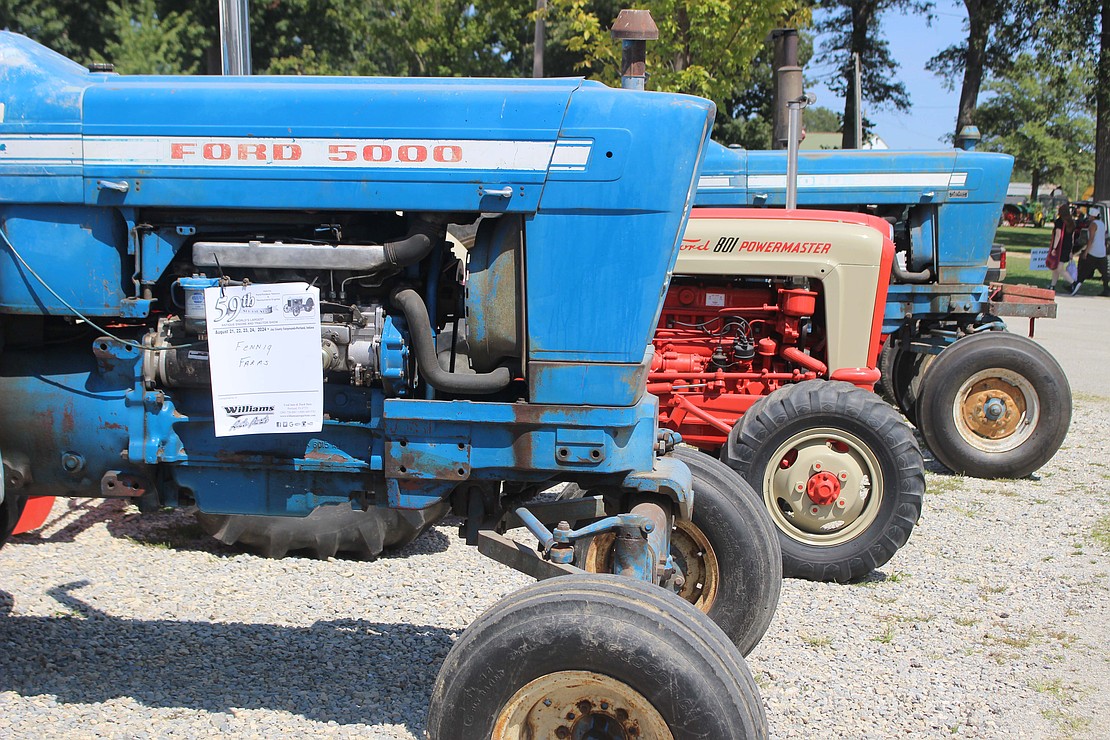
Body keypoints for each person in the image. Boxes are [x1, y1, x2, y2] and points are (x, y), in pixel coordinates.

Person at [1071, 205, 1110, 296]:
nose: (1088, 217)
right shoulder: (1102, 224)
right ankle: (1106, 289)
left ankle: (1076, 285)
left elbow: (1091, 239)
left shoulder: (1093, 225)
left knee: (1083, 268)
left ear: (1092, 216)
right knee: (1104, 273)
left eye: (1089, 216)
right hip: (1102, 252)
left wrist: (1086, 251)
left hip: (1093, 251)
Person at [1047, 203, 1075, 292]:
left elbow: (1058, 235)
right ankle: (1052, 285)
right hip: (1068, 247)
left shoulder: (1059, 221)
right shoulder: (1071, 222)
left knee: (1059, 268)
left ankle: (1073, 283)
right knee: (1055, 267)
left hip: (1060, 248)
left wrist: (1054, 248)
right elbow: (1072, 237)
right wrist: (1071, 250)